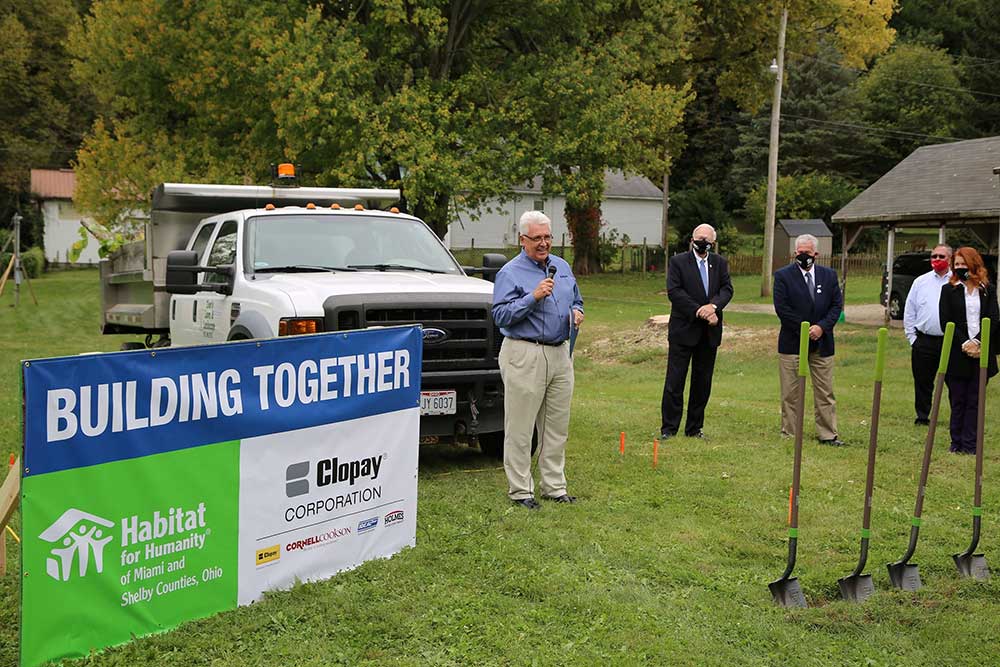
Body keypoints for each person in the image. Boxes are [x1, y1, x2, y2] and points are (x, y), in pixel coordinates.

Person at [492, 211, 584, 509]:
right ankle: (521, 491)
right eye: (537, 239)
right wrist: (533, 297)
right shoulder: (510, 272)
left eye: (547, 237)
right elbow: (501, 315)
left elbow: (577, 298)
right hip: (524, 352)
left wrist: (578, 311)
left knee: (556, 425)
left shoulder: (562, 266)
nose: (543, 244)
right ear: (522, 240)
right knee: (520, 426)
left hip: (560, 352)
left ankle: (554, 487)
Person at [659, 223, 733, 439]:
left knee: (702, 382)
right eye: (699, 238)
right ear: (692, 240)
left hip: (709, 333)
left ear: (713, 243)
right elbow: (674, 292)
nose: (702, 242)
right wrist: (700, 310)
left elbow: (727, 289)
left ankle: (694, 428)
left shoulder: (720, 263)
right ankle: (669, 429)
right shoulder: (678, 262)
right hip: (683, 331)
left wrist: (714, 307)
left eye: (706, 239)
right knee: (675, 382)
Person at [772, 234, 844, 446]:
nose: (804, 256)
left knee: (825, 392)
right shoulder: (783, 276)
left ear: (816, 254)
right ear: (795, 254)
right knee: (790, 393)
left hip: (822, 343)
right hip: (792, 342)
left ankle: (828, 434)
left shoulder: (829, 276)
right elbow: (782, 308)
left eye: (808, 253)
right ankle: (790, 434)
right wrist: (805, 329)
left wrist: (821, 327)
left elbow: (836, 306)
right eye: (800, 253)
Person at [938, 247, 999, 454]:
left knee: (975, 400)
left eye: (964, 264)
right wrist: (965, 343)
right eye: (957, 264)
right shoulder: (949, 290)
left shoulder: (987, 289)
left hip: (981, 354)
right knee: (958, 400)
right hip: (958, 353)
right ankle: (956, 443)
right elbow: (946, 320)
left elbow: (994, 318)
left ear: (974, 264)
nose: (961, 267)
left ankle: (971, 445)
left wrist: (979, 342)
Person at [903, 245, 953, 425]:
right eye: (934, 256)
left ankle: (957, 416)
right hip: (924, 341)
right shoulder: (920, 282)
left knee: (954, 381)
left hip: (951, 341)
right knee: (923, 381)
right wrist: (912, 339)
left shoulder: (956, 281)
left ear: (950, 259)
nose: (937, 259)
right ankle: (922, 416)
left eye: (941, 256)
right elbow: (910, 311)